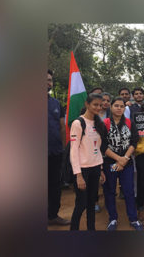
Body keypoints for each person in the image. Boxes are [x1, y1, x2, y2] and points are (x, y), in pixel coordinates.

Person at [102, 97, 144, 231]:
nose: (119, 108)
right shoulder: (104, 123)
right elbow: (102, 145)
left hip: (126, 163)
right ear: (111, 107)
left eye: (121, 106)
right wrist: (118, 159)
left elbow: (134, 142)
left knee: (129, 191)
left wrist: (124, 159)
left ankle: (133, 219)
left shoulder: (129, 123)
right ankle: (113, 219)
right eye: (116, 106)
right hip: (111, 164)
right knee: (110, 190)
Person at [69, 93, 107, 230]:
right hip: (82, 170)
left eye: (100, 105)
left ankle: (91, 229)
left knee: (92, 202)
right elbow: (73, 150)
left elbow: (97, 148)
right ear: (87, 104)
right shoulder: (78, 123)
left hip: (96, 168)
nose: (98, 107)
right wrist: (78, 175)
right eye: (95, 104)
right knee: (81, 204)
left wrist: (101, 169)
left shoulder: (99, 123)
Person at [47, 69, 70, 226]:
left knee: (55, 186)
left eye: (50, 80)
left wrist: (62, 148)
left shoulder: (56, 103)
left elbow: (62, 127)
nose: (48, 82)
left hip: (54, 152)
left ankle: (52, 215)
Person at [95, 92, 112, 212]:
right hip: (93, 149)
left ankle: (108, 200)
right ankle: (95, 201)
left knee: (106, 176)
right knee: (96, 176)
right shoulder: (93, 113)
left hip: (107, 149)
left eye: (108, 100)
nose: (105, 102)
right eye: (103, 100)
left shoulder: (111, 114)